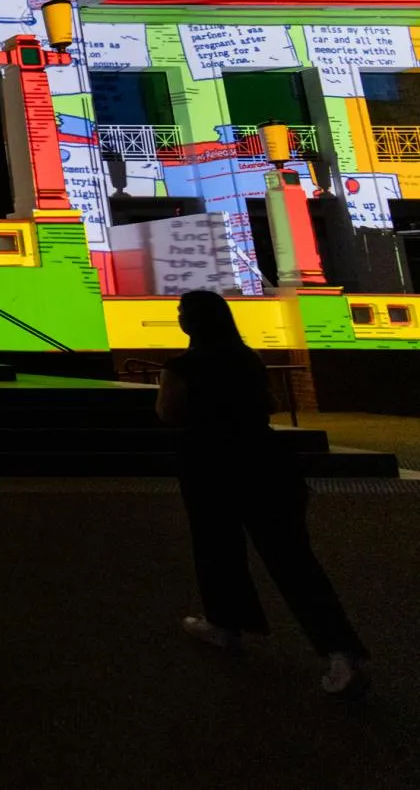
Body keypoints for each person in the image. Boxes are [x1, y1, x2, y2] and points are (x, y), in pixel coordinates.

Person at [158, 289, 370, 699]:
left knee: (216, 547)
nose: (180, 316)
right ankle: (341, 651)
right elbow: (269, 403)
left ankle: (225, 624)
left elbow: (168, 414)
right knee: (293, 559)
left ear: (193, 322)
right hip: (264, 459)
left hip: (207, 463)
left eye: (183, 311)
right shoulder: (249, 359)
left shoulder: (180, 367)